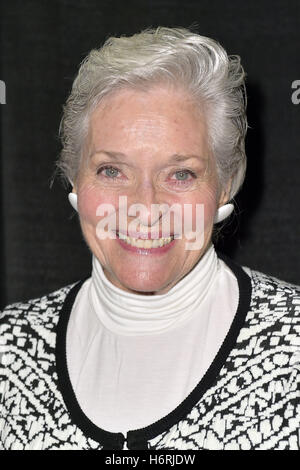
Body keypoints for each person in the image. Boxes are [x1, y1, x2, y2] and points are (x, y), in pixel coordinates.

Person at [0, 27, 299, 451]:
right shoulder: (9, 350)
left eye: (180, 174)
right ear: (75, 180)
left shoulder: (293, 343)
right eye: (112, 171)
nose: (144, 206)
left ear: (225, 185)